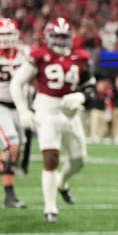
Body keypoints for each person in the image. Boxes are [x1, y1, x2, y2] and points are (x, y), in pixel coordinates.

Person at [10, 17, 95, 223]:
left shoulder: (81, 57)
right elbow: (17, 83)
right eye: (56, 36)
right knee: (51, 157)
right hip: (46, 108)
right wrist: (23, 110)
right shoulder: (39, 56)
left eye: (64, 37)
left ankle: (62, 183)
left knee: (79, 159)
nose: (60, 41)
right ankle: (50, 208)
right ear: (48, 37)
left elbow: (91, 88)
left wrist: (81, 96)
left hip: (70, 110)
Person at [0, 18, 27, 208]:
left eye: (10, 34)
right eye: (3, 35)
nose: (7, 39)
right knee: (12, 145)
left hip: (20, 106)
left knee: (20, 146)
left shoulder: (25, 54)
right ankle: (9, 195)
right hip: (1, 105)